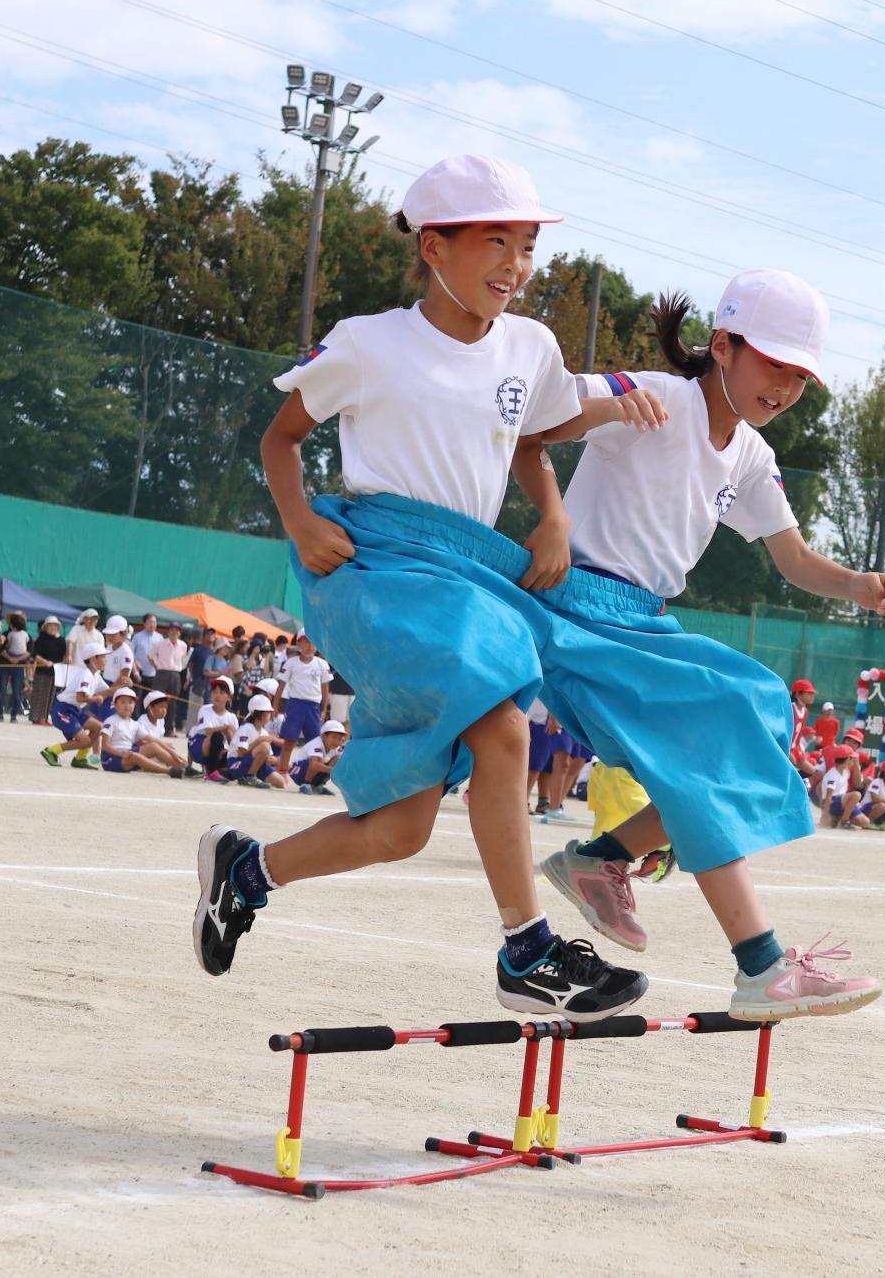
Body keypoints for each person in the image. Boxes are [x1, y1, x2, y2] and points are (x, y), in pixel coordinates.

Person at [194, 154, 645, 1020]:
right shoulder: (370, 342)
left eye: (526, 246)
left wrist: (551, 517)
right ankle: (529, 950)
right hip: (377, 567)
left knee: (400, 830)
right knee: (505, 725)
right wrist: (296, 519)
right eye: (496, 242)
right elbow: (280, 437)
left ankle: (245, 873)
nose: (516, 265)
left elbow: (538, 435)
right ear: (434, 247)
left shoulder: (532, 347)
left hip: (468, 572)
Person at [528, 273, 885, 1018]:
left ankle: (602, 859)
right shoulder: (656, 393)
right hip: (578, 609)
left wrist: (858, 585)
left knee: (764, 711)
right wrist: (557, 510)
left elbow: (791, 557)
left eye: (800, 376)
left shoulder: (752, 455)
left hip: (646, 622)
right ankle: (760, 963)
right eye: (773, 366)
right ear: (722, 345)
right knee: (713, 734)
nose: (785, 387)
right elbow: (535, 414)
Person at [41, 646, 112, 769]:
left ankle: (80, 758)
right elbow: (80, 698)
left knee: (99, 727)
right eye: (103, 657)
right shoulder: (86, 675)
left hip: (74, 710)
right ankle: (52, 751)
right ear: (93, 659)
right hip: (63, 710)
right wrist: (96, 699)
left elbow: (108, 691)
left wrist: (122, 685)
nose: (106, 660)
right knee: (84, 741)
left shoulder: (96, 675)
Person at [272, 632, 332, 771]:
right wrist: (275, 706)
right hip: (295, 705)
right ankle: (283, 771)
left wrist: (324, 710)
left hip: (314, 707)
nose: (310, 646)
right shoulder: (291, 662)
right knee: (289, 741)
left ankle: (309, 774)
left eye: (313, 643)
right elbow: (281, 685)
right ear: (299, 644)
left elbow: (325, 689)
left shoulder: (322, 664)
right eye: (306, 642)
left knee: (315, 742)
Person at [99, 688, 178, 775]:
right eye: (123, 702)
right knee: (135, 755)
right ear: (115, 704)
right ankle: (168, 771)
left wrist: (171, 752)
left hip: (128, 754)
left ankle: (182, 767)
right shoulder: (110, 721)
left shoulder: (135, 724)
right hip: (111, 759)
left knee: (153, 746)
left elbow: (152, 740)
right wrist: (121, 753)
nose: (127, 705)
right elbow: (105, 745)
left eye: (130, 702)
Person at [222, 694, 286, 789]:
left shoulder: (264, 732)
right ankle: (249, 777)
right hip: (237, 763)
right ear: (260, 714)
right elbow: (241, 753)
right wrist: (258, 741)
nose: (269, 716)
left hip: (254, 764)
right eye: (268, 713)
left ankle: (253, 776)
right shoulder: (246, 728)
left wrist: (270, 760)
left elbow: (266, 755)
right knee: (264, 746)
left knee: (281, 783)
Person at [186, 676, 239, 778]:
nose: (217, 695)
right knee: (217, 736)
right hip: (199, 745)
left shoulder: (232, 717)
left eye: (221, 693)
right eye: (214, 692)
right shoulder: (205, 709)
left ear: (229, 697)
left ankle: (216, 770)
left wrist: (228, 733)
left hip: (218, 748)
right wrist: (226, 727)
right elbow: (208, 731)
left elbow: (233, 743)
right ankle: (211, 771)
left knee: (229, 759)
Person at [150, 621, 190, 734]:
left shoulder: (183, 645)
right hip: (162, 672)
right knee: (157, 700)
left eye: (176, 631)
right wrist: (157, 667)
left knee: (172, 702)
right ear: (168, 632)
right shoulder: (160, 643)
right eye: (172, 630)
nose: (174, 633)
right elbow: (150, 656)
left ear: (180, 633)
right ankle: (154, 726)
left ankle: (169, 729)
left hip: (175, 674)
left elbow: (184, 660)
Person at [289, 718, 348, 794]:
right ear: (324, 736)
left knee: (338, 760)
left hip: (313, 771)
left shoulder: (338, 747)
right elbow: (314, 764)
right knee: (319, 761)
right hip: (297, 771)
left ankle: (320, 785)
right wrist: (333, 770)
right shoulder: (316, 743)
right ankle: (305, 784)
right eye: (334, 737)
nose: (337, 741)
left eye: (340, 739)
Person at [28, 615, 65, 725]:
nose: (52, 627)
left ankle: (44, 717)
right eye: (50, 625)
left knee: (51, 695)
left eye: (55, 625)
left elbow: (63, 656)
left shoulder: (61, 640)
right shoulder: (41, 639)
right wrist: (45, 662)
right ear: (46, 627)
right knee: (40, 694)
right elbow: (36, 655)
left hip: (55, 672)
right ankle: (37, 717)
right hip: (42, 671)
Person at [0, 611, 30, 721]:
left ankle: (13, 715)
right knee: (2, 690)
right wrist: (11, 658)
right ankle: (0, 714)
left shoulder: (25, 635)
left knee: (17, 693)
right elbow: (1, 649)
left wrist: (17, 659)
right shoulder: (6, 633)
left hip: (18, 667)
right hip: (5, 665)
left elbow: (30, 651)